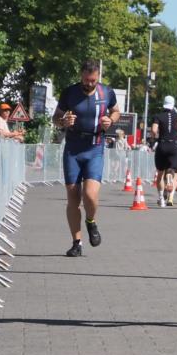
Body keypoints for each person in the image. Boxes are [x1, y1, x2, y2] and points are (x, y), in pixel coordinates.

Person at [53, 59, 120, 257]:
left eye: (93, 80)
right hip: (73, 148)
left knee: (90, 194)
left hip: (95, 147)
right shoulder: (70, 92)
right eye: (86, 80)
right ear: (81, 75)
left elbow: (116, 111)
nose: (89, 83)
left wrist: (111, 120)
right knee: (73, 197)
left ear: (98, 77)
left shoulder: (106, 92)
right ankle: (77, 242)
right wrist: (63, 121)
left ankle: (91, 221)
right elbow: (55, 117)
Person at [151, 95, 177, 207]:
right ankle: (171, 197)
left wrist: (153, 138)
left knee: (160, 174)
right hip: (174, 145)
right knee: (174, 173)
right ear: (173, 104)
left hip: (162, 145)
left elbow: (154, 130)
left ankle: (161, 199)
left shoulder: (158, 116)